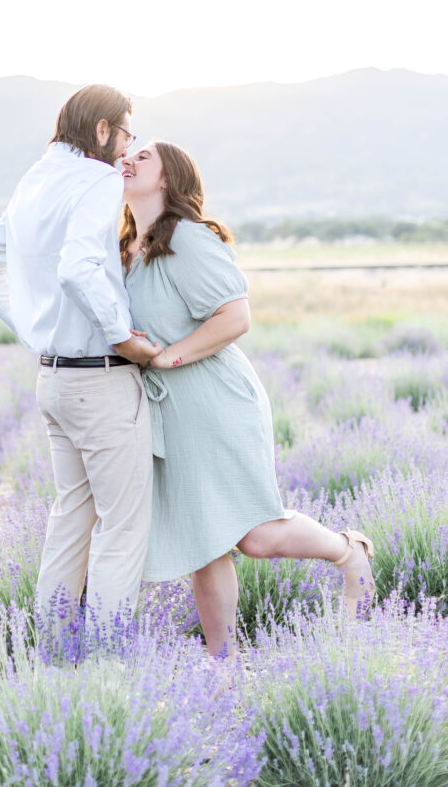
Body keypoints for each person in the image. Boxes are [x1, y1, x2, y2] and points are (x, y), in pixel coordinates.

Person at [120, 140, 376, 669]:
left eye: (143, 156)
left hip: (214, 400)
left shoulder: (185, 239)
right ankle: (224, 668)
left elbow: (234, 318)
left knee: (254, 536)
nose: (128, 158)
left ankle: (350, 552)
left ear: (168, 177)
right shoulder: (129, 245)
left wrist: (166, 358)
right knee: (203, 542)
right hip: (169, 411)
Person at [0, 85, 160, 635]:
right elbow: (79, 268)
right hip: (100, 379)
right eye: (126, 134)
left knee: (71, 520)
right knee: (123, 527)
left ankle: (53, 653)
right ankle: (107, 663)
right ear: (102, 130)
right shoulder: (97, 179)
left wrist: (36, 330)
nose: (127, 150)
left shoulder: (34, 179)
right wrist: (122, 336)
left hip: (52, 377)